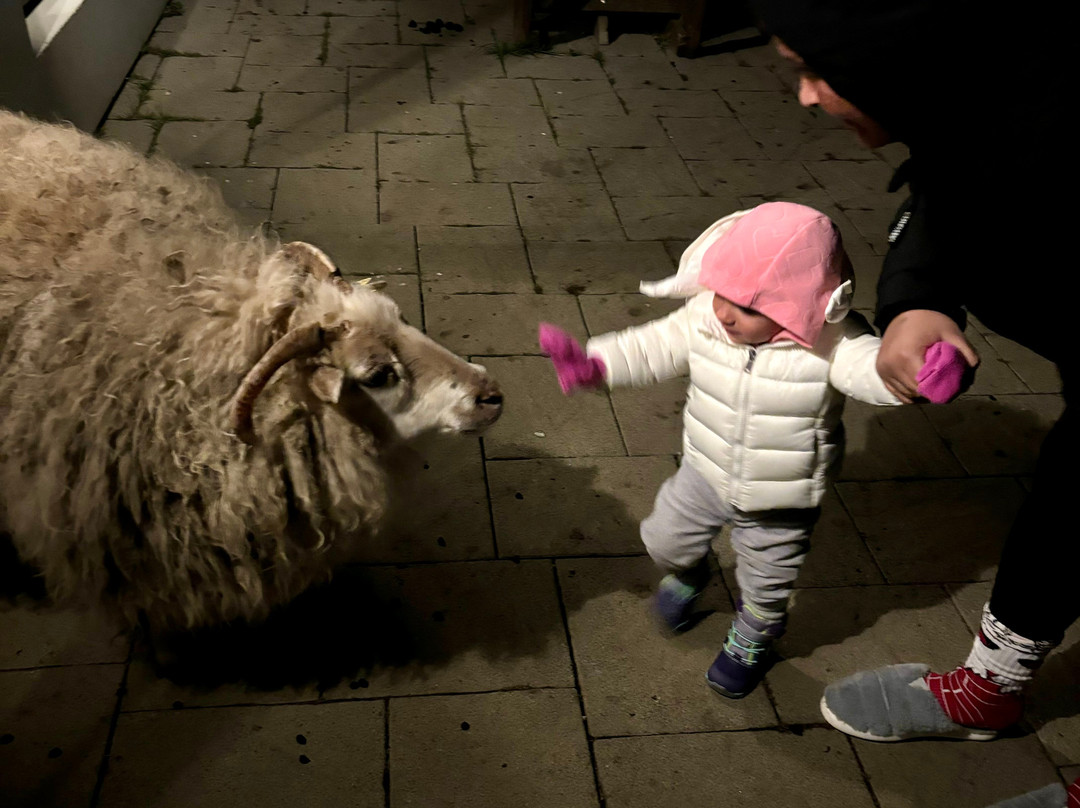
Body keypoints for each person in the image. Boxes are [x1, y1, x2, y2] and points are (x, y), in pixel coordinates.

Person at [748, 2, 1076, 806]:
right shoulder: (992, 98)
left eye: (820, 72)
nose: (806, 98)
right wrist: (919, 300)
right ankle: (991, 685)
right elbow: (945, 186)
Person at [540, 201, 917, 698]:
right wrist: (598, 363)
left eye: (748, 307)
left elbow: (872, 370)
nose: (725, 312)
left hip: (782, 497)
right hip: (704, 469)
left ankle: (754, 635)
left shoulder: (834, 342)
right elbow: (652, 344)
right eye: (723, 294)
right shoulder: (706, 317)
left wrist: (915, 371)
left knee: (766, 582)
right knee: (662, 539)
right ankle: (692, 570)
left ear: (800, 306)